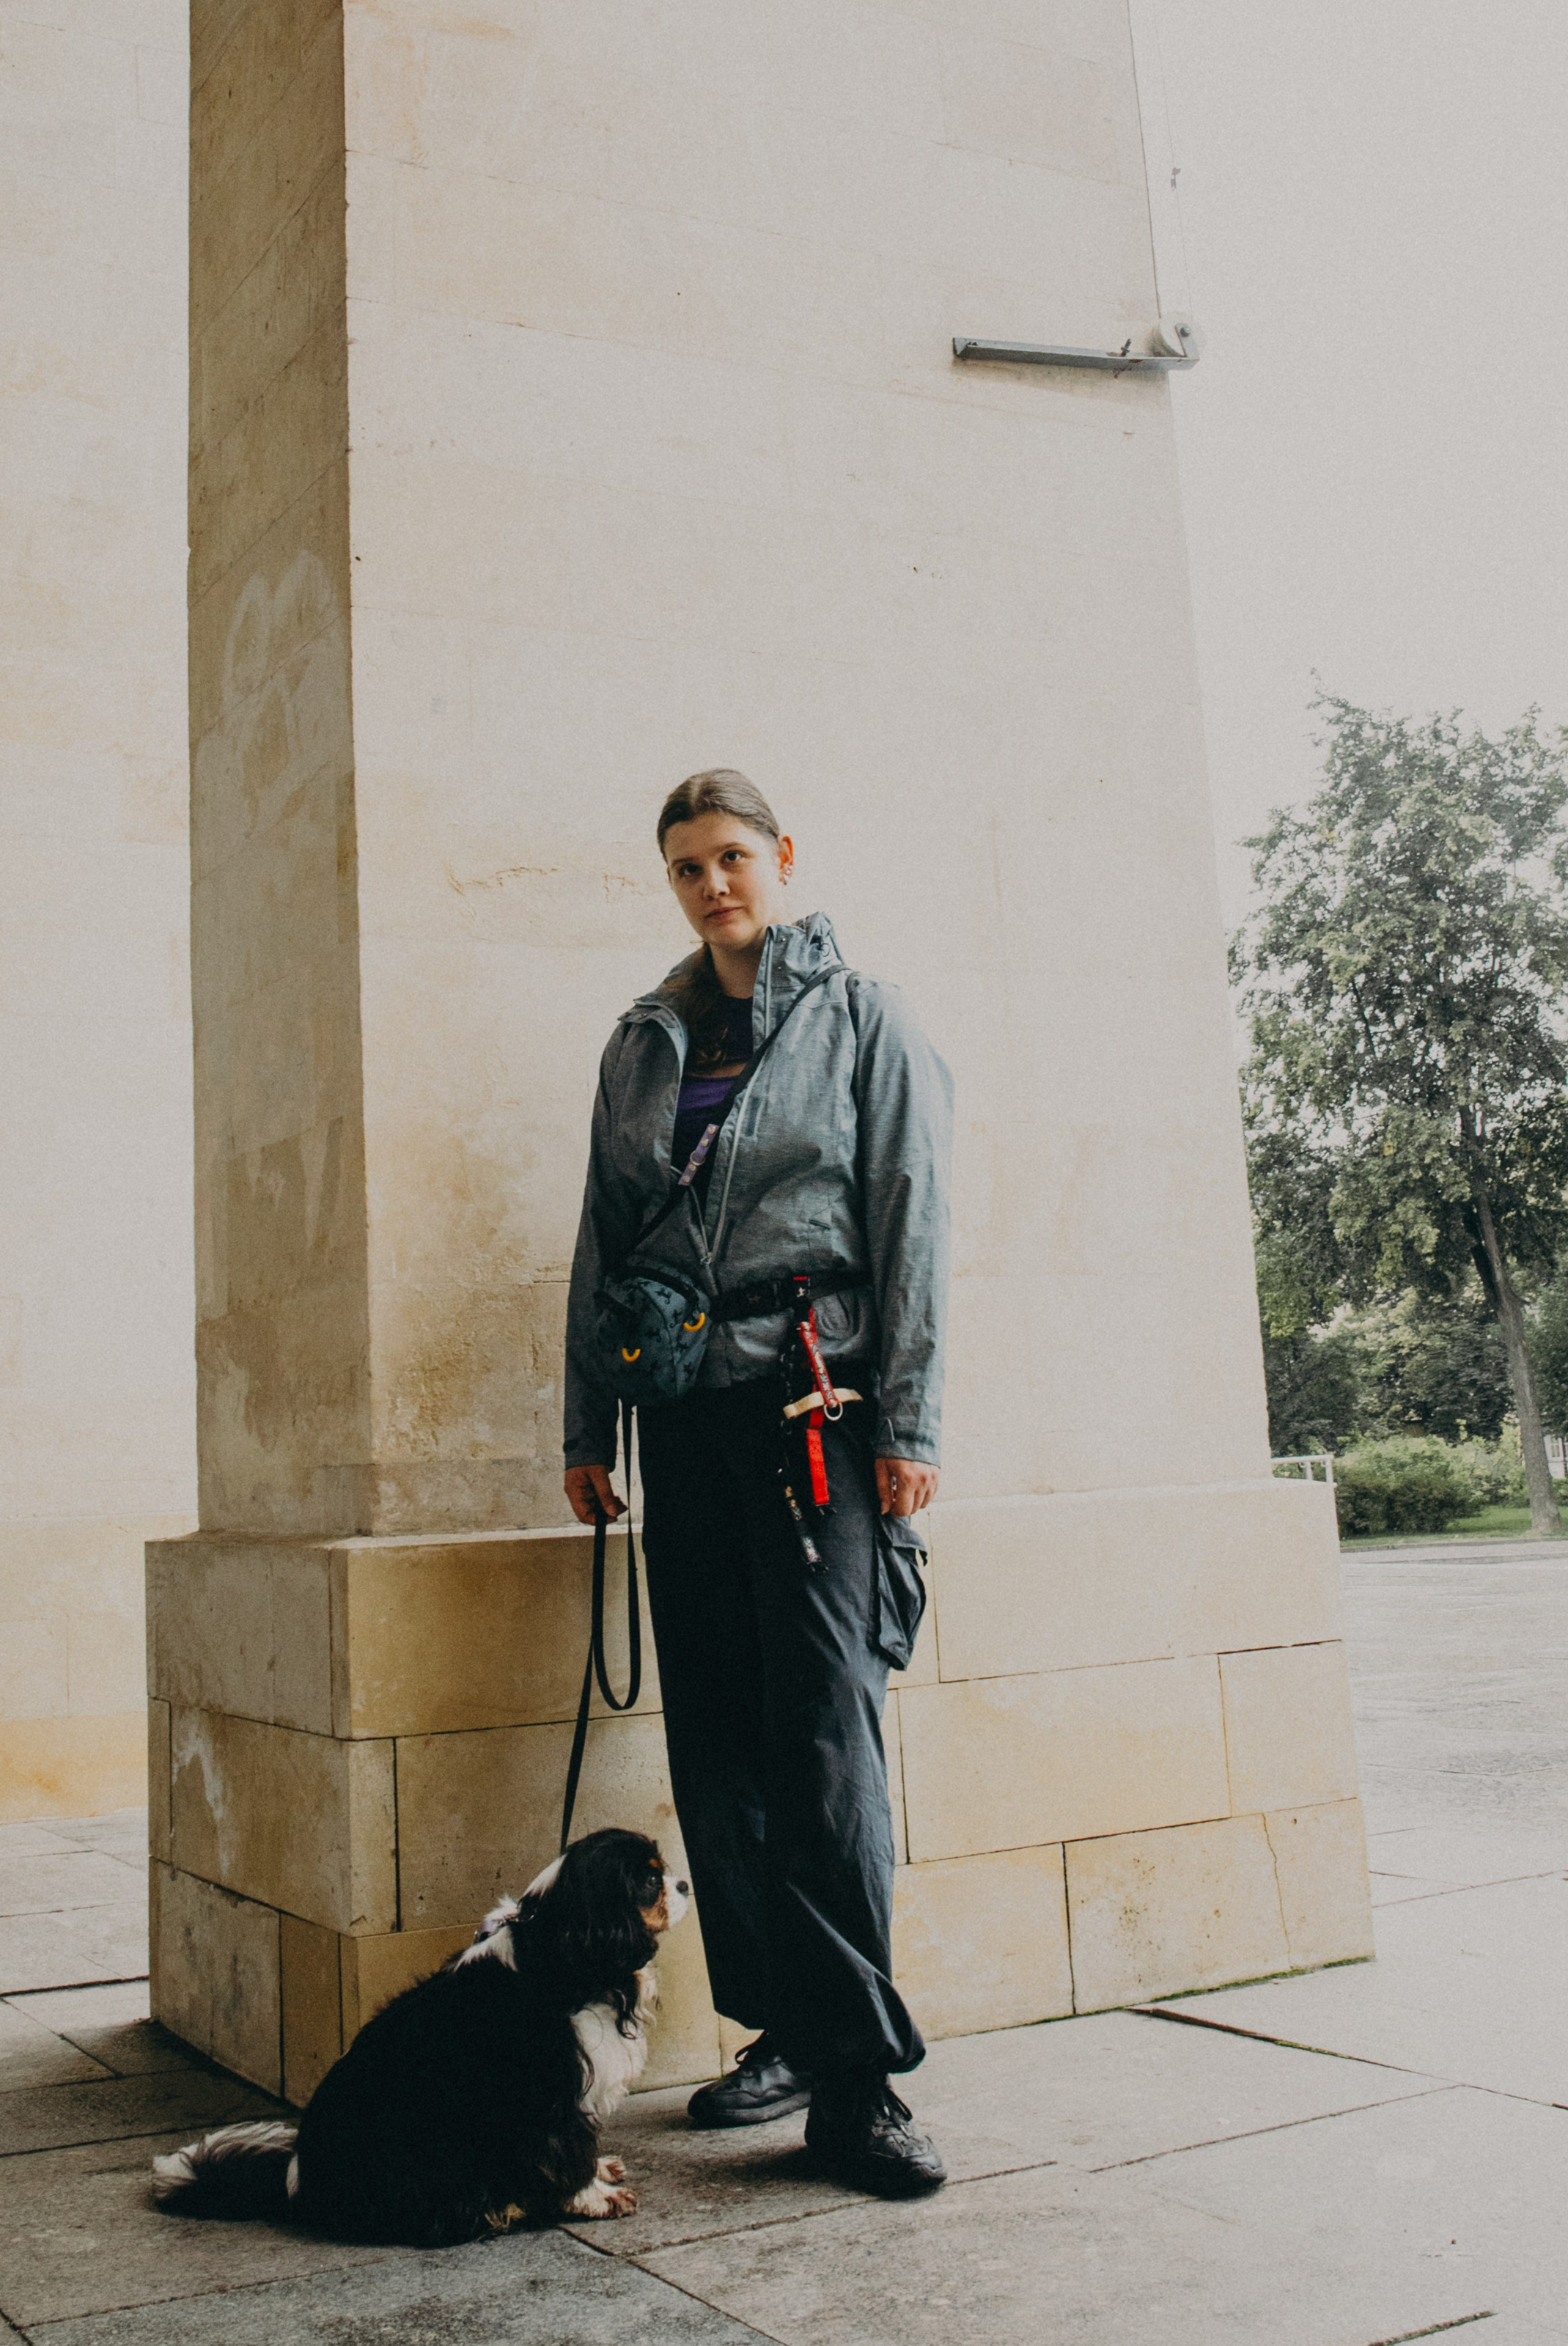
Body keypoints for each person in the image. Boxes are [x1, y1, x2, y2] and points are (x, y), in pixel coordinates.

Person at [563, 769, 953, 2200]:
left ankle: (857, 2087)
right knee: (718, 1742)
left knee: (823, 1741)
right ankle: (784, 2030)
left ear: (780, 856)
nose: (712, 884)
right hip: (680, 1419)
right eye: (686, 866)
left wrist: (911, 1424)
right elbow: (603, 1241)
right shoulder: (644, 1042)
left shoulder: (864, 1016)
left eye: (731, 856)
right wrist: (586, 1428)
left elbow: (914, 1221)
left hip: (816, 1412)